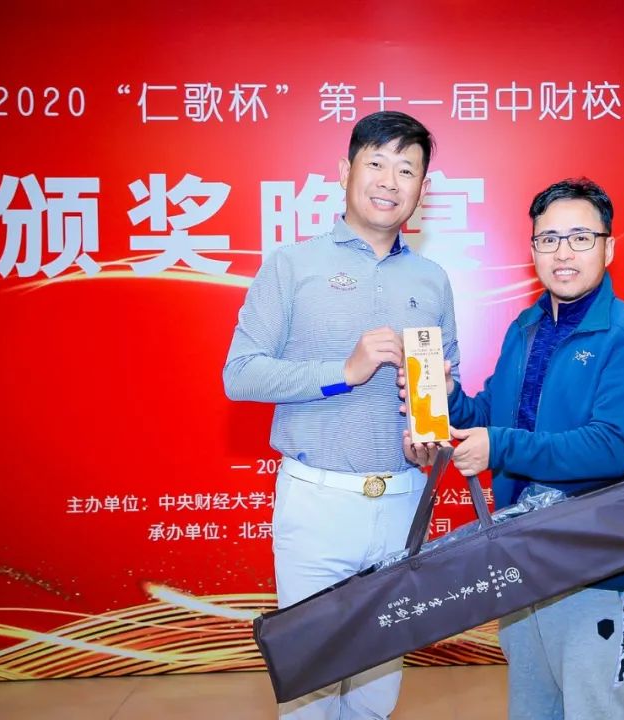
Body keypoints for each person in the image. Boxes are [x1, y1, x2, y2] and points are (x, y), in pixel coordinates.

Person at [223, 111, 459, 720]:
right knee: (312, 691)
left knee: (377, 697)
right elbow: (239, 374)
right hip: (317, 503)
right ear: (344, 171)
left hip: (403, 502)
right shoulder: (291, 265)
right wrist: (344, 371)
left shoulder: (432, 280)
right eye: (376, 162)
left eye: (406, 169)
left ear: (422, 187)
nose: (389, 180)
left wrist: (431, 423)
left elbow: (446, 382)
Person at [431, 177, 624, 719]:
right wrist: (448, 399)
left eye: (581, 238)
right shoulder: (526, 327)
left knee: (592, 707)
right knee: (532, 705)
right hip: (519, 550)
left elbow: (611, 447)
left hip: (591, 556)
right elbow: (493, 414)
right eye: (548, 239)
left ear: (609, 247)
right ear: (533, 248)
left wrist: (499, 445)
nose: (563, 253)